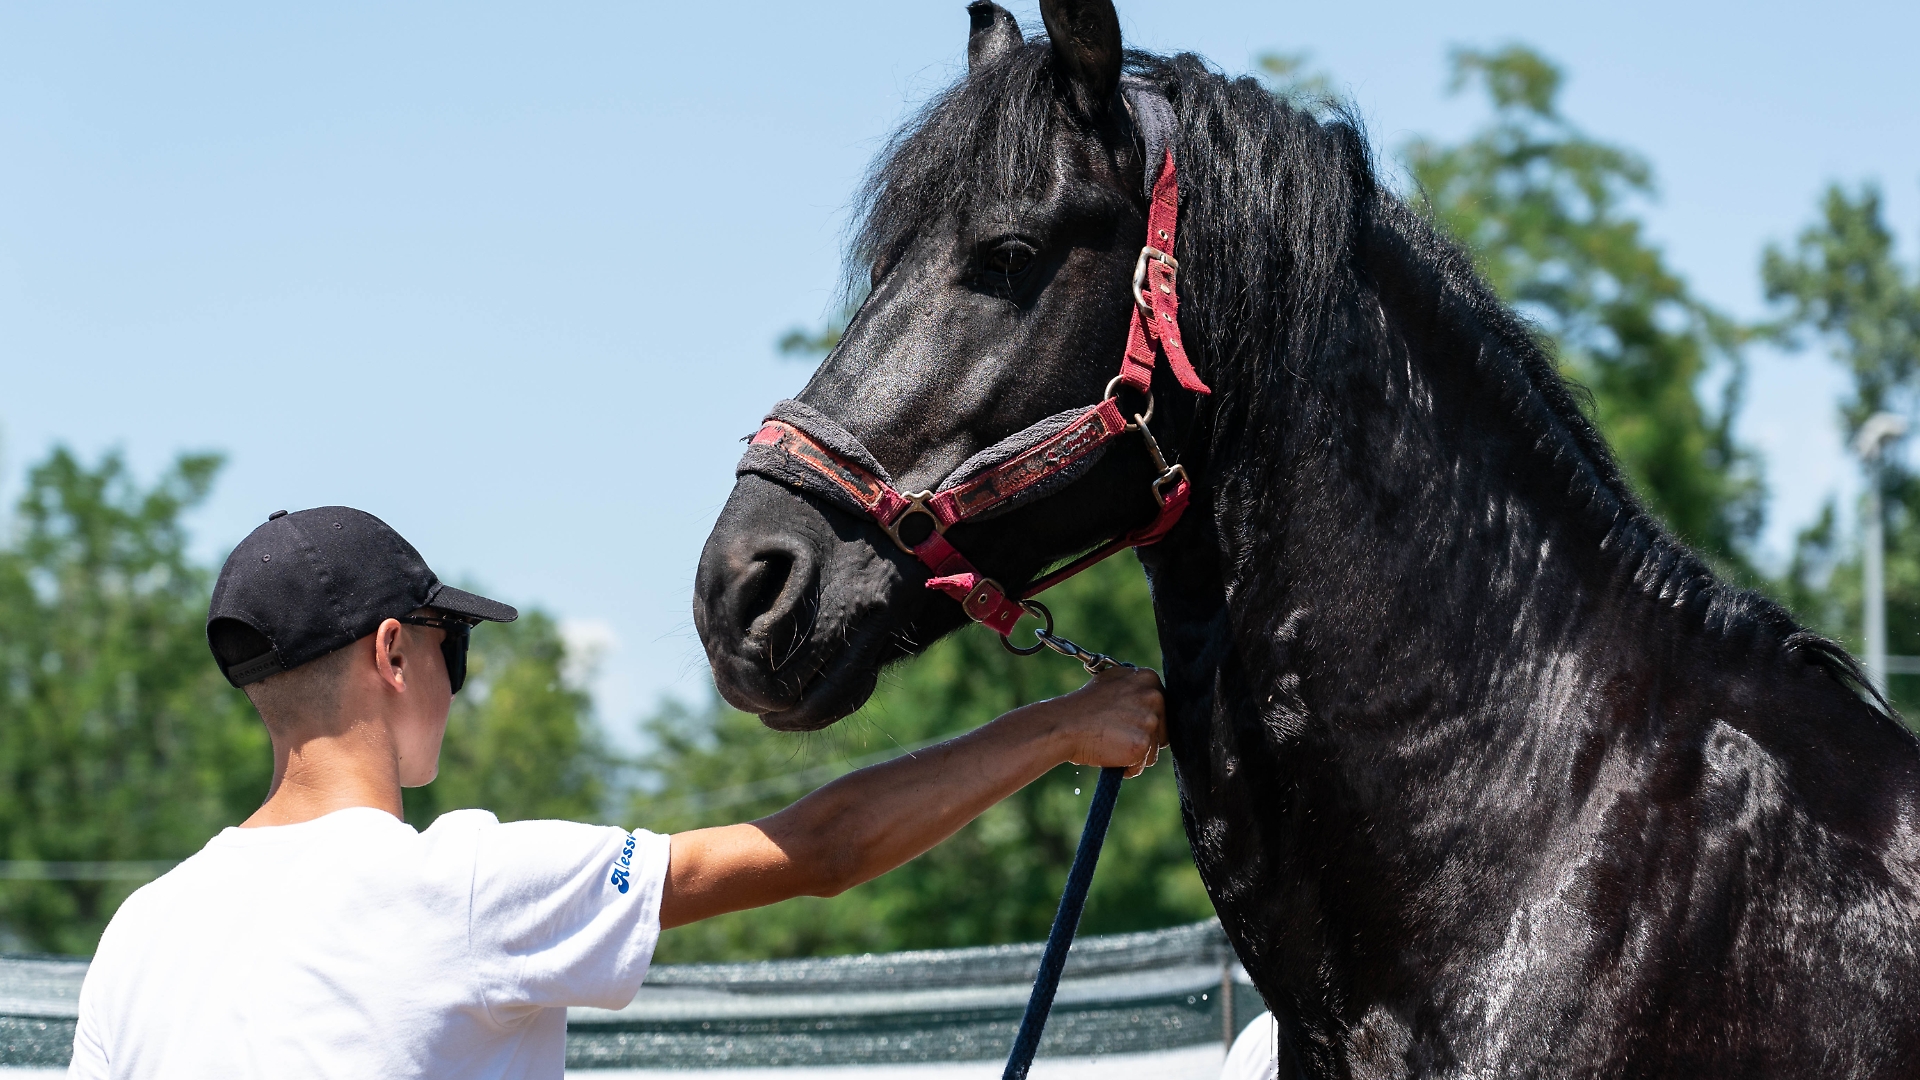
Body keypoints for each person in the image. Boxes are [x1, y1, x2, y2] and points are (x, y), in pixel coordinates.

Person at [68, 506, 1166, 1079]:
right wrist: (1064, 725)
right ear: (393, 653)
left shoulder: (143, 933)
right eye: (455, 648)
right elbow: (820, 850)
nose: (456, 681)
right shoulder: (462, 885)